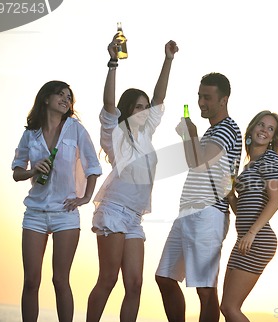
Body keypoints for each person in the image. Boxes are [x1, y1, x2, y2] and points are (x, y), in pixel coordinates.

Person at [86, 37, 178, 322]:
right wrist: (113, 64)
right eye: (138, 107)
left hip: (134, 218)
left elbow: (159, 99)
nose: (144, 110)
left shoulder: (146, 135)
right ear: (128, 110)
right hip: (113, 211)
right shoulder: (115, 135)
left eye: (144, 107)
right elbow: (108, 103)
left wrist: (168, 60)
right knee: (108, 279)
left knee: (135, 285)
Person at [155, 72, 242, 322]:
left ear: (223, 100)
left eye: (207, 97)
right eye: (199, 96)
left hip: (208, 214)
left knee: (205, 288)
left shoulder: (227, 129)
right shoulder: (213, 131)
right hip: (189, 213)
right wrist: (191, 136)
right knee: (165, 276)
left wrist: (188, 134)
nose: (201, 102)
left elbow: (197, 162)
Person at [11, 80, 102, 322]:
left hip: (65, 213)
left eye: (69, 97)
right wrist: (32, 172)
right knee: (31, 280)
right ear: (46, 99)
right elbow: (17, 171)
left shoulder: (76, 129)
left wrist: (84, 198)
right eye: (60, 94)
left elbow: (93, 166)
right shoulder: (30, 134)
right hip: (35, 213)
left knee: (60, 280)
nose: (65, 99)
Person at [220, 110, 278, 321]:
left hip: (258, 240)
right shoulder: (248, 165)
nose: (264, 130)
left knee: (231, 308)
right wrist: (231, 197)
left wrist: (251, 233)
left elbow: (276, 201)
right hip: (245, 239)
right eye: (261, 125)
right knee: (226, 307)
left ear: (274, 137)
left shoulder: (270, 159)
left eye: (270, 128)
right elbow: (244, 211)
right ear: (252, 128)